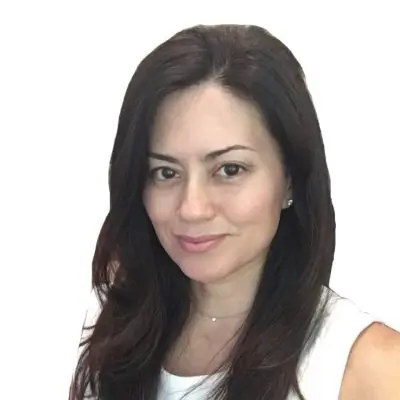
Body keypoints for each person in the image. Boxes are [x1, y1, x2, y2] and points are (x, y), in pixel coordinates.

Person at [70, 24, 400, 400]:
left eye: (229, 170)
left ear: (290, 178)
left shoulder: (370, 368)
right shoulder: (118, 339)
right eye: (166, 172)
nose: (192, 208)